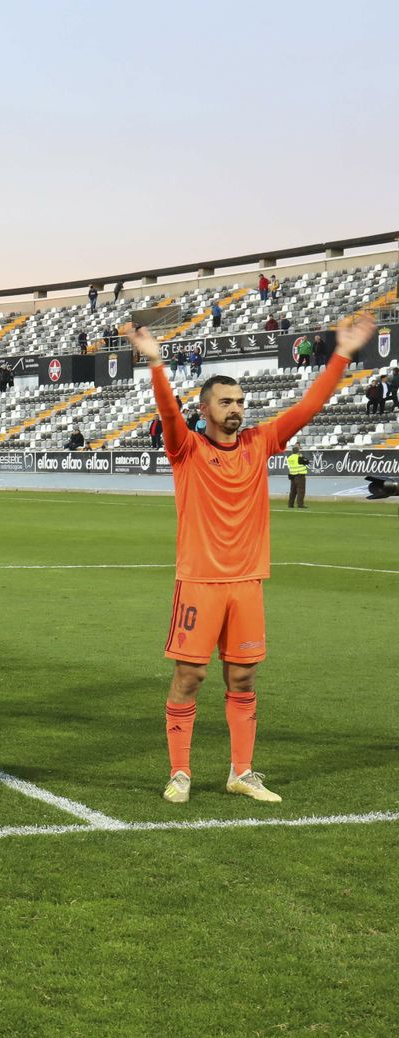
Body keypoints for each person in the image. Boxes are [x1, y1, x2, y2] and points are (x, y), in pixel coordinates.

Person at [121, 312, 374, 806]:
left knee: (243, 676)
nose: (236, 409)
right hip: (199, 582)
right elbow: (169, 416)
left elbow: (309, 408)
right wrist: (155, 363)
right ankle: (180, 772)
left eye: (240, 401)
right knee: (189, 676)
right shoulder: (186, 450)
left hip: (248, 582)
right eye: (226, 402)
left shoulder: (260, 444)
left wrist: (341, 354)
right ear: (206, 407)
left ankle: (242, 771)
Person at [284, 442, 308, 509]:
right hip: (300, 475)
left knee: (293, 491)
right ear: (298, 451)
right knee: (301, 491)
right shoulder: (299, 457)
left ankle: (290, 504)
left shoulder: (289, 458)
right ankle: (300, 504)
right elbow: (307, 461)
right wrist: (301, 456)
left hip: (292, 476)